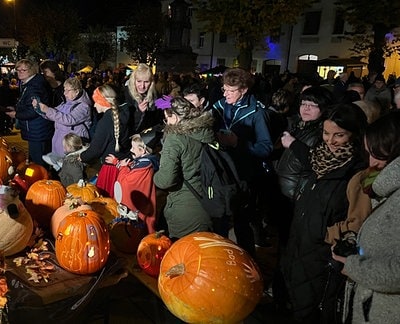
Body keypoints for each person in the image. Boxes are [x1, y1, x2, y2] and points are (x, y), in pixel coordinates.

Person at [280, 103, 368, 323]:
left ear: (355, 134)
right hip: (299, 248)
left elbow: (356, 222)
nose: (331, 141)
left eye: (339, 135)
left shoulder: (357, 173)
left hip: (323, 260)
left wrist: (330, 238)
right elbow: (306, 155)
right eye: (326, 133)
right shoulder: (319, 158)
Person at [331, 111, 400, 324]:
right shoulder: (385, 188)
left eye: (379, 155)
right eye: (369, 152)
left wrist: (353, 265)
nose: (373, 162)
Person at [211, 67, 273, 253]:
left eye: (231, 90)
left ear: (244, 90)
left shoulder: (257, 113)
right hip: (221, 173)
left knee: (241, 223)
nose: (226, 94)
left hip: (244, 177)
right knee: (219, 220)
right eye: (224, 89)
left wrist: (239, 143)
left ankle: (247, 263)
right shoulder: (219, 106)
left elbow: (266, 148)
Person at [153, 97, 216, 240]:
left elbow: (166, 180)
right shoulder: (204, 131)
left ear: (174, 117)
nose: (166, 123)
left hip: (184, 209)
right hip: (208, 200)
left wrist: (154, 174)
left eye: (166, 118)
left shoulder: (175, 139)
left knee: (184, 254)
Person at [79, 84, 130, 197]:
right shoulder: (122, 114)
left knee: (107, 199)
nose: (95, 105)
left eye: (96, 101)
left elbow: (96, 150)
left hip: (110, 169)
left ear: (102, 102)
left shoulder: (105, 122)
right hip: (122, 164)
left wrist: (82, 157)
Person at [32, 77, 92, 170]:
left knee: (73, 172)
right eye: (64, 90)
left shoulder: (84, 106)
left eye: (68, 90)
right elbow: (54, 114)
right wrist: (40, 110)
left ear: (77, 91)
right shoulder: (66, 103)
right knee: (61, 173)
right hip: (60, 142)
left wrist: (48, 110)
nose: (64, 93)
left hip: (72, 144)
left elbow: (68, 119)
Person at [106, 131, 160, 234]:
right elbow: (131, 166)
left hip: (136, 212)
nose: (131, 150)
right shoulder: (144, 162)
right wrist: (117, 163)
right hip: (142, 207)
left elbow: (125, 183)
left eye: (133, 148)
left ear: (143, 150)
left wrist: (123, 168)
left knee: (132, 234)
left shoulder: (143, 168)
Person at [5, 59, 54, 166]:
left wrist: (16, 115)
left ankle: (43, 182)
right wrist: (16, 109)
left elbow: (35, 110)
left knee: (39, 162)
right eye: (18, 69)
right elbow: (28, 104)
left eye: (24, 70)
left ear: (31, 70)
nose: (20, 72)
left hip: (37, 130)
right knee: (38, 160)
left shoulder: (34, 86)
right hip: (36, 129)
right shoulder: (29, 84)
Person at [120, 63, 161, 135]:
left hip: (147, 138)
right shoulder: (124, 94)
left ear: (151, 82)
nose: (142, 86)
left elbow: (158, 118)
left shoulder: (155, 95)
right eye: (139, 81)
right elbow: (123, 124)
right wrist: (139, 112)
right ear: (134, 80)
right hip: (129, 139)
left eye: (146, 82)